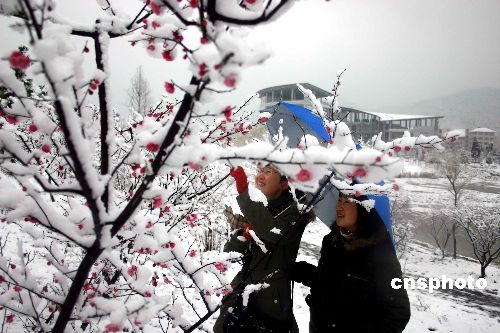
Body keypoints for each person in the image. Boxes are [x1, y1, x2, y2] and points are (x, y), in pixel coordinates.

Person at [213, 164, 314, 333]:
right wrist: (243, 236)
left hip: (270, 296)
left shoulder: (297, 212)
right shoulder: (263, 208)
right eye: (260, 171)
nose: (260, 175)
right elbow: (231, 251)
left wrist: (244, 191)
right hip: (243, 286)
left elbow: (272, 232)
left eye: (268, 172)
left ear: (284, 184)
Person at [292, 193, 411, 333]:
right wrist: (304, 272)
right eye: (339, 200)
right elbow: (332, 282)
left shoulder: (380, 254)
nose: (339, 206)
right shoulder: (332, 241)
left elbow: (398, 313)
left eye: (347, 202)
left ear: (364, 208)